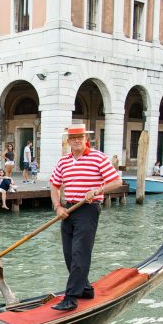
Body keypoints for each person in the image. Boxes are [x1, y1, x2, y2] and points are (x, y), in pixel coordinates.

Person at [48, 124, 122, 312]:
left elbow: (116, 181)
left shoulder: (98, 157)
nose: (77, 140)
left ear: (85, 138)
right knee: (69, 254)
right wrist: (58, 207)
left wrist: (97, 190)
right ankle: (86, 289)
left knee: (80, 253)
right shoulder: (64, 161)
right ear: (68, 141)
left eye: (80, 137)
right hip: (69, 209)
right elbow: (54, 185)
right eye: (73, 138)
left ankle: (71, 298)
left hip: (88, 209)